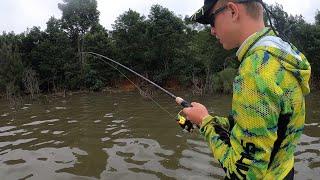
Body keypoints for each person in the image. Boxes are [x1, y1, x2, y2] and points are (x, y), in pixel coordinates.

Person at [183, 0, 311, 179]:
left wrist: (206, 125)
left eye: (212, 20)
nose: (212, 30)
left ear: (233, 11)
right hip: (284, 171)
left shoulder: (254, 71)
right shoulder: (283, 56)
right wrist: (206, 118)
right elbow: (271, 124)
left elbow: (242, 173)